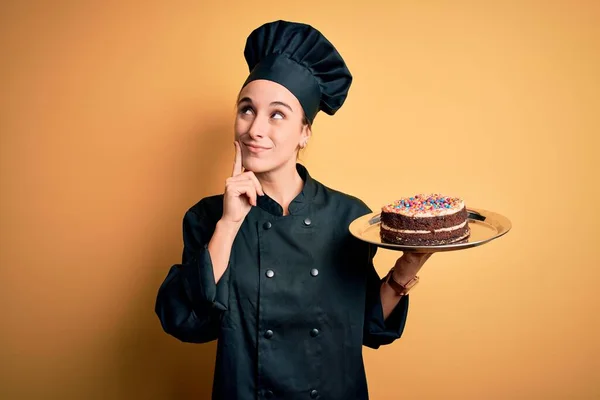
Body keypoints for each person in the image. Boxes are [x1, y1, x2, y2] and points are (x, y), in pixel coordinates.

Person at [155, 20, 432, 400]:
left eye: (278, 114)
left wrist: (409, 266)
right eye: (246, 109)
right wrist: (230, 222)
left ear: (305, 132)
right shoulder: (207, 217)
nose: (255, 128)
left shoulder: (348, 217)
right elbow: (185, 322)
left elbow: (369, 327)